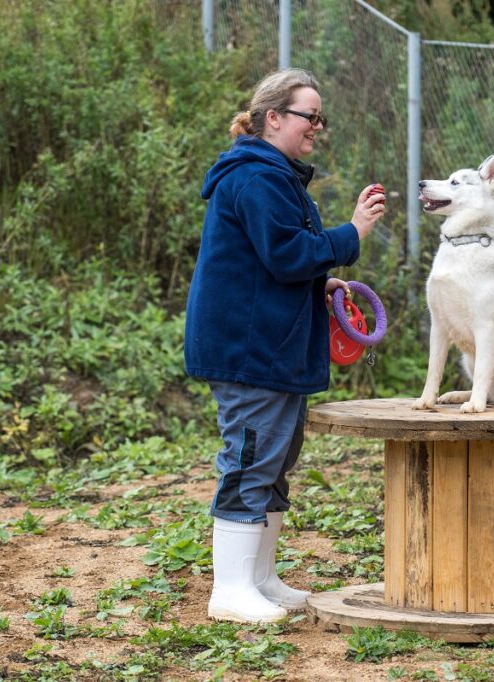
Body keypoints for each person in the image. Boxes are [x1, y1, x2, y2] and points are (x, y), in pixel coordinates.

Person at [184, 68, 385, 624]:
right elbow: (286, 254)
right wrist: (352, 233)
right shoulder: (255, 177)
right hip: (250, 352)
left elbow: (267, 262)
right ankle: (229, 590)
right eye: (309, 115)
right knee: (250, 461)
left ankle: (259, 579)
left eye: (320, 117)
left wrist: (319, 283)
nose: (317, 126)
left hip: (271, 348)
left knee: (274, 461)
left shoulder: (274, 176)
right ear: (274, 118)